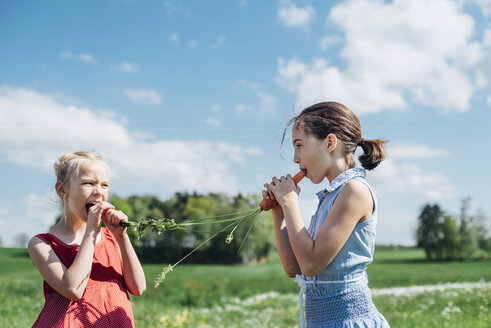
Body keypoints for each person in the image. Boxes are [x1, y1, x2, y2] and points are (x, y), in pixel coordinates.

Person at [263, 102, 390, 327]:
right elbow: (295, 268)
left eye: (299, 145)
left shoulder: (354, 191)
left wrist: (290, 201)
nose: (295, 158)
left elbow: (311, 263)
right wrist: (279, 211)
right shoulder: (330, 196)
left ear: (330, 143)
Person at [28, 151, 146, 327]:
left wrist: (122, 237)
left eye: (104, 185)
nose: (98, 191)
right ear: (62, 190)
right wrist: (91, 230)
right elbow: (73, 289)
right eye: (88, 183)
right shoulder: (42, 244)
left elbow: (138, 287)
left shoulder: (112, 238)